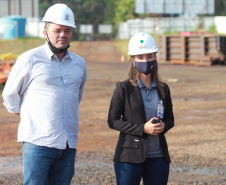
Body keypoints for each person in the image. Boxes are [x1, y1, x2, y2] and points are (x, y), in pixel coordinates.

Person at [2, 3, 86, 185]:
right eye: (57, 30)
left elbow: (75, 97)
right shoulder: (30, 59)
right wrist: (28, 117)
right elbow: (9, 95)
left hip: (68, 144)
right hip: (37, 144)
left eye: (67, 30)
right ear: (45, 31)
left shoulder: (79, 63)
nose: (62, 35)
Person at [107, 32, 174, 185]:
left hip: (158, 157)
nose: (145, 60)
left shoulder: (163, 89)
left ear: (155, 57)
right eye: (140, 57)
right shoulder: (123, 88)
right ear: (133, 60)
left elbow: (170, 119)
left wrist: (164, 125)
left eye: (149, 56)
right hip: (129, 157)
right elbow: (113, 121)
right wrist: (143, 128)